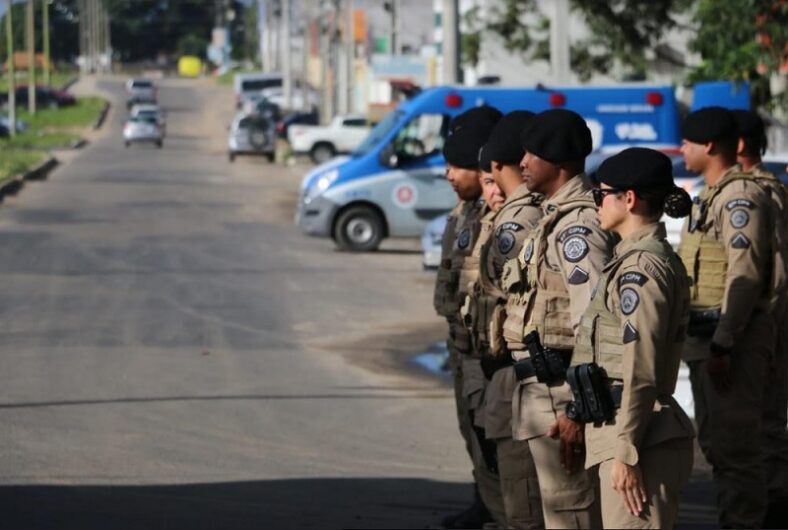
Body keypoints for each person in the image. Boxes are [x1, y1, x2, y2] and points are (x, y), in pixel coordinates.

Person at [558, 147, 696, 528]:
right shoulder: (634, 261)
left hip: (639, 439)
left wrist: (627, 452)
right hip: (625, 429)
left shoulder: (641, 270)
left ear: (629, 198)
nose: (596, 203)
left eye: (601, 194)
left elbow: (643, 366)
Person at [503, 108, 616, 529]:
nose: (524, 163)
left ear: (561, 162)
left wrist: (580, 408)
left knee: (571, 514)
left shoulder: (579, 227)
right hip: (539, 388)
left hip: (562, 393)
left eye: (533, 154)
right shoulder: (552, 217)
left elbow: (595, 318)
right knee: (547, 511)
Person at [677, 106, 779, 529]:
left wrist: (724, 341)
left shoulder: (740, 199)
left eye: (687, 142)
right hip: (708, 343)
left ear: (710, 146)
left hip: (731, 344)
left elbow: (745, 275)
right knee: (719, 447)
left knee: (738, 451)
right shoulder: (709, 198)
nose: (681, 148)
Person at [465, 111, 546, 528]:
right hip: (507, 366)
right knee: (512, 480)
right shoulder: (513, 217)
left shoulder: (520, 221)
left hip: (523, 370)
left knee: (527, 498)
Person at [434, 106, 505, 528]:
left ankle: (500, 512)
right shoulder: (465, 213)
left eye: (455, 166)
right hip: (462, 343)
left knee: (491, 437)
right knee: (473, 434)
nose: (448, 175)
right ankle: (484, 503)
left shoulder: (498, 216)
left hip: (486, 350)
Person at [733, 109, 788, 528]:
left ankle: (770, 507)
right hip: (771, 317)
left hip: (764, 319)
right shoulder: (772, 189)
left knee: (759, 426)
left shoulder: (751, 194)